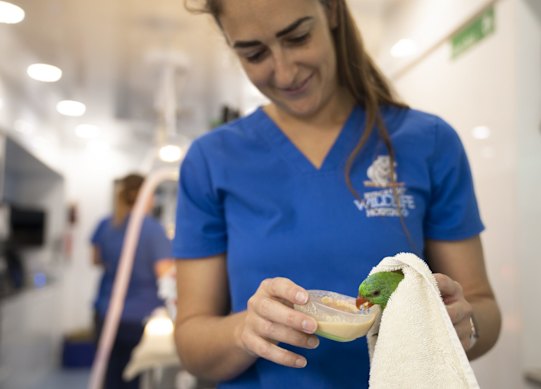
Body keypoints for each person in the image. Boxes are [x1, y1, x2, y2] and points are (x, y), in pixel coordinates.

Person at [172, 1, 502, 388]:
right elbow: (191, 343)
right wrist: (246, 330)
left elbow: (484, 309)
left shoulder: (428, 143)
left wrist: (465, 325)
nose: (284, 71)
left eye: (297, 37)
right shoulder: (212, 160)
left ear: (331, 11)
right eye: (254, 53)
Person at [91, 173, 174, 389]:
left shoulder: (106, 225)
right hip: (139, 318)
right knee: (134, 379)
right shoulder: (153, 230)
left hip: (106, 313)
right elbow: (164, 273)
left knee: (110, 376)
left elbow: (97, 260)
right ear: (147, 196)